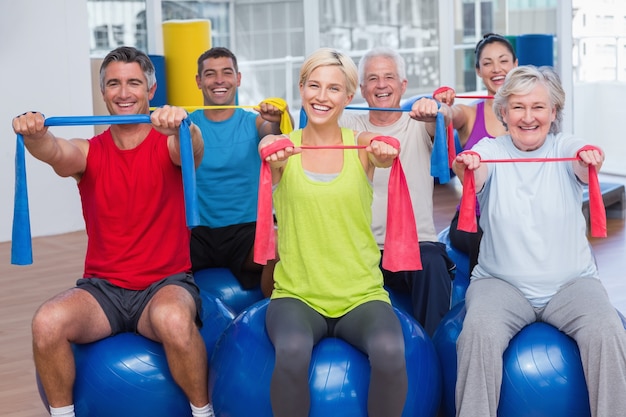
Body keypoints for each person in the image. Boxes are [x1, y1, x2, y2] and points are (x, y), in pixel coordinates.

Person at [12, 47, 213, 417]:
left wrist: (185, 126)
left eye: (134, 83)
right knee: (46, 321)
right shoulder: (88, 153)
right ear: (102, 92)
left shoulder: (169, 144)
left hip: (164, 285)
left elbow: (192, 150)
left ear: (151, 91)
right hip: (103, 290)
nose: (123, 93)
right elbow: (55, 151)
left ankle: (204, 412)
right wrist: (34, 134)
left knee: (173, 318)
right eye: (114, 84)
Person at [453, 65, 626, 417]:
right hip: (500, 285)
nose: (528, 117)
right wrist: (467, 166)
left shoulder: (567, 147)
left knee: (608, 330)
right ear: (503, 112)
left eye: (538, 107)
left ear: (554, 113)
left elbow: (582, 160)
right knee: (477, 333)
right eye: (518, 107)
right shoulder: (489, 150)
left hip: (571, 284)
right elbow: (476, 171)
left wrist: (588, 158)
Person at [259, 47, 408, 417]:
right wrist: (270, 147)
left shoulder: (360, 145)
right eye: (314, 85)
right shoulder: (284, 149)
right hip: (297, 294)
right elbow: (266, 146)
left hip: (360, 294)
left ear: (348, 96)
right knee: (291, 351)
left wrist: (384, 151)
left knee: (391, 352)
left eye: (333, 88)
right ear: (301, 88)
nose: (322, 97)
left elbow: (381, 151)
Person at [340, 46, 455, 336]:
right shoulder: (348, 124)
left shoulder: (419, 124)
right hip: (362, 249)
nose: (381, 85)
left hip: (416, 245)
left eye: (389, 77)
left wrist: (436, 110)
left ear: (403, 85)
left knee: (432, 263)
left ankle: (435, 352)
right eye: (373, 79)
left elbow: (445, 118)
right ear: (362, 89)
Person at [189, 46, 292, 297]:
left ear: (238, 78)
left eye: (227, 72)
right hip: (197, 232)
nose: (219, 80)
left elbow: (273, 136)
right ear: (199, 81)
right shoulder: (188, 126)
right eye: (210, 74)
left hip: (246, 232)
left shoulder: (255, 122)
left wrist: (277, 121)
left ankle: (271, 313)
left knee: (280, 245)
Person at [434, 33, 518, 273]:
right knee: (486, 236)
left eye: (503, 61)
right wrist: (443, 106)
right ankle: (482, 299)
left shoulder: (527, 117)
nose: (496, 69)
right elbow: (451, 114)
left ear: (515, 64)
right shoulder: (469, 115)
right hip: (472, 220)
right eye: (487, 63)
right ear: (478, 71)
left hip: (517, 215)